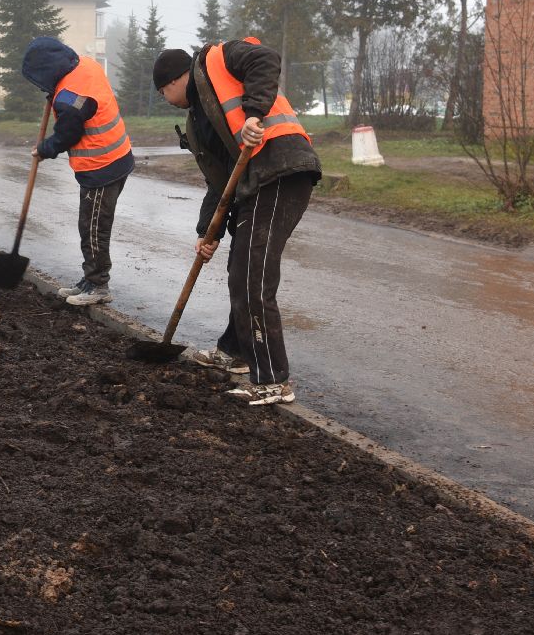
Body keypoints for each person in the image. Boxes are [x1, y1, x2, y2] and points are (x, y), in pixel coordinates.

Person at [152, 37, 320, 405]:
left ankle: (273, 380)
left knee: (251, 276)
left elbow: (266, 58)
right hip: (255, 181)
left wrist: (253, 114)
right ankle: (235, 350)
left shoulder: (216, 59)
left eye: (163, 92)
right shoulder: (199, 120)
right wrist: (207, 232)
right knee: (239, 268)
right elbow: (219, 182)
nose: (165, 99)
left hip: (280, 168)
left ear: (174, 80)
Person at [21, 36, 134, 306]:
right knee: (90, 225)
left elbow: (68, 133)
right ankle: (89, 280)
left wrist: (45, 148)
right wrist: (54, 91)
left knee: (93, 229)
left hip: (102, 167)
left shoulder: (69, 98)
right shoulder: (85, 65)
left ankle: (98, 285)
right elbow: (80, 102)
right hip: (117, 157)